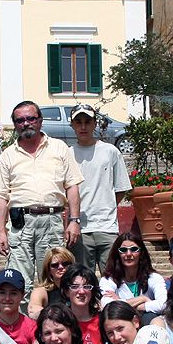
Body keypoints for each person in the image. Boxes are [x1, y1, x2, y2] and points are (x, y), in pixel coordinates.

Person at [0, 99, 83, 291]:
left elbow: (72, 186)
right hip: (20, 226)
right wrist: (1, 232)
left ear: (40, 120)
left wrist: (74, 221)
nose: (26, 123)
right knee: (18, 283)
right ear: (15, 124)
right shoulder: (8, 155)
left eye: (30, 118)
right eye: (20, 120)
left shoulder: (59, 148)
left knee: (53, 281)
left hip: (52, 222)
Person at [70, 104, 131, 274]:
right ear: (72, 125)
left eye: (88, 122)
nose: (83, 127)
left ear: (95, 124)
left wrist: (106, 206)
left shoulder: (110, 151)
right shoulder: (67, 154)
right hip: (80, 229)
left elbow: (121, 188)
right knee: (82, 280)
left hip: (107, 227)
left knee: (112, 279)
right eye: (78, 122)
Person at [99, 232, 167, 316]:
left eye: (134, 249)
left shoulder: (154, 278)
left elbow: (164, 304)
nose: (128, 254)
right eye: (123, 250)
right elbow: (106, 305)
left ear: (141, 253)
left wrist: (120, 302)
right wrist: (142, 299)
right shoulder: (108, 279)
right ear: (117, 254)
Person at [58, 264, 101, 344]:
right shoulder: (59, 323)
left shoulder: (102, 322)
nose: (81, 291)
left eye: (86, 286)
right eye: (75, 286)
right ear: (66, 291)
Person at [27, 246, 75, 320]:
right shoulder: (41, 291)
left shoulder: (79, 287)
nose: (60, 267)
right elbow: (33, 310)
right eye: (55, 265)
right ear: (48, 270)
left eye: (65, 264)